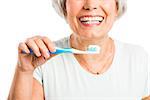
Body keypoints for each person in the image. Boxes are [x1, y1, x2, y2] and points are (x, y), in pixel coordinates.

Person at [8, 0, 149, 99]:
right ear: (64, 6)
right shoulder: (43, 60)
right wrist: (24, 71)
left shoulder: (139, 58)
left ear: (117, 6)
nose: (91, 5)